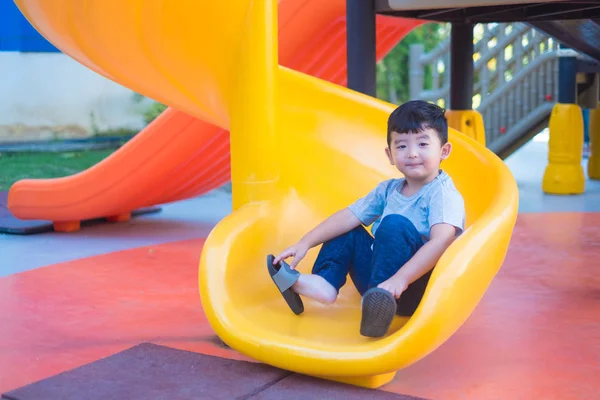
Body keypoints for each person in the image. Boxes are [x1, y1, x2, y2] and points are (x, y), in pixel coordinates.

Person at [267, 100, 465, 338]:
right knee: (348, 228)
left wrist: (400, 280)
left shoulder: (441, 193)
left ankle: (378, 303)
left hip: (414, 288)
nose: (412, 153)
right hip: (378, 283)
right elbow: (348, 215)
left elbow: (442, 242)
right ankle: (325, 284)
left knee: (394, 224)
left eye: (423, 144)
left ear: (444, 151)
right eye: (401, 146)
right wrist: (305, 243)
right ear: (390, 155)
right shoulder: (388, 189)